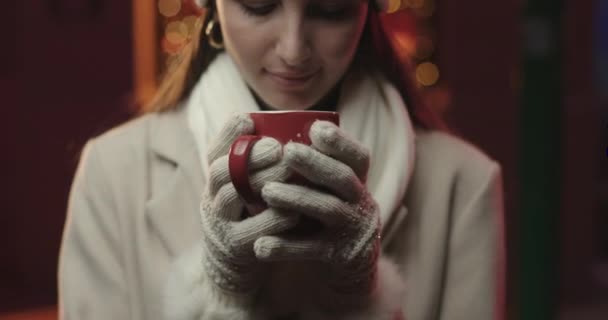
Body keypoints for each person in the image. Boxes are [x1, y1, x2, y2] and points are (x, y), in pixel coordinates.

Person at [58, 0, 506, 319]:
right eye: (258, 5)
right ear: (209, 6)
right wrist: (223, 295)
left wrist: (359, 299)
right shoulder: (113, 173)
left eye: (329, 9)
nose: (293, 49)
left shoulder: (463, 184)